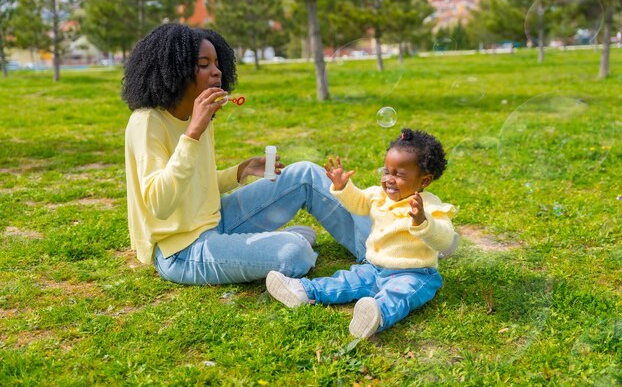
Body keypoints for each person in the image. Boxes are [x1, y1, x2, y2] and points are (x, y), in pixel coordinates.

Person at [122, 22, 374, 285]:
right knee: (294, 253)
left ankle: (376, 250)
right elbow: (159, 204)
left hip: (217, 219)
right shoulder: (147, 122)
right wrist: (193, 133)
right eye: (204, 64)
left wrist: (241, 170)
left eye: (217, 63)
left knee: (305, 174)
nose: (217, 72)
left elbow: (196, 185)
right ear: (175, 70)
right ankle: (287, 240)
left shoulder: (199, 117)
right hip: (181, 250)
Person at [266, 128, 458, 339]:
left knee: (399, 295)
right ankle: (304, 290)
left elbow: (444, 239)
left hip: (414, 273)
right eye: (387, 171)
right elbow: (357, 204)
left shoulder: (429, 206)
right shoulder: (378, 195)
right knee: (346, 280)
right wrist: (343, 187)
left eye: (399, 174)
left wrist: (422, 221)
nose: (389, 179)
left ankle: (377, 315)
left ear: (424, 181)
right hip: (374, 268)